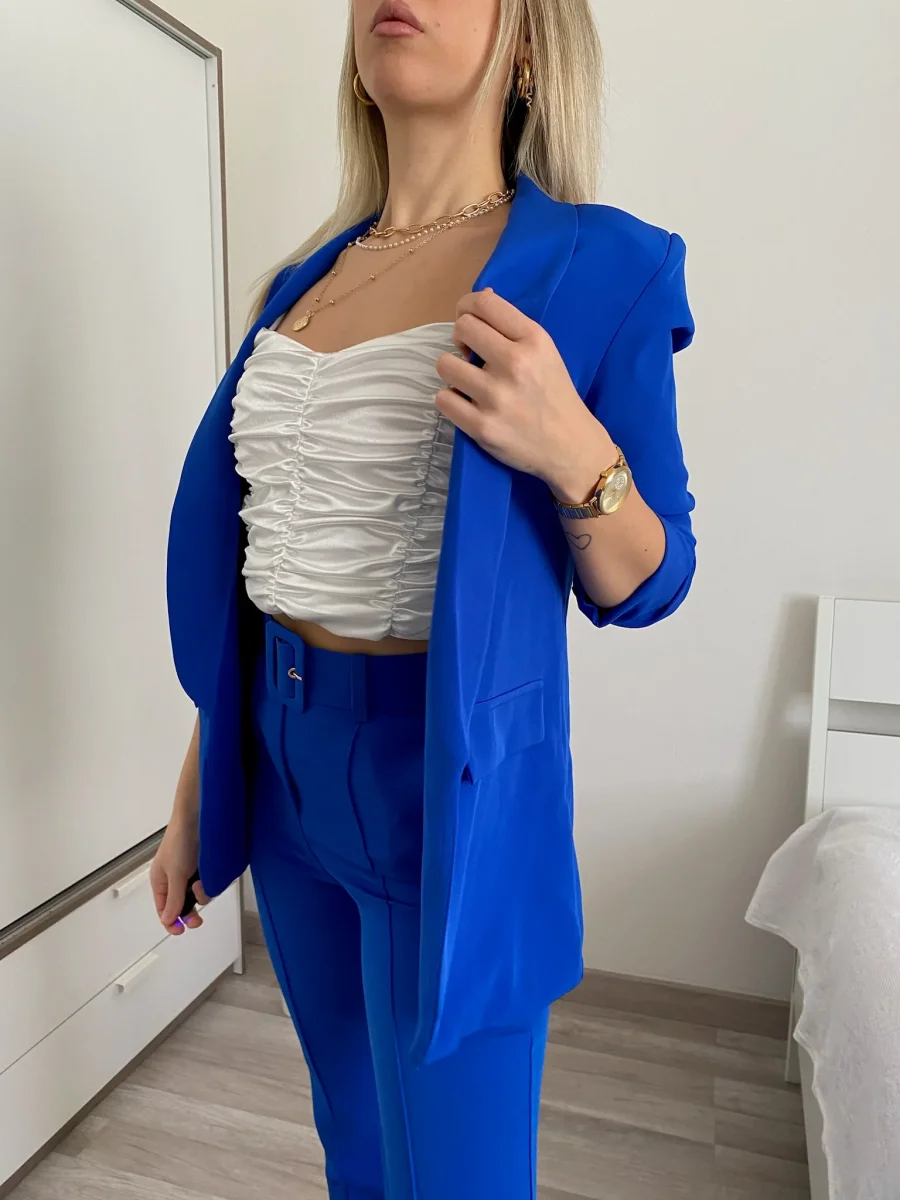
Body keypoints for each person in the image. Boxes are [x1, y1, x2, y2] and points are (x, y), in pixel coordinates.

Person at [152, 0, 696, 1196]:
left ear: (531, 45)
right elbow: (271, 555)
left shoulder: (603, 264)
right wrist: (204, 781)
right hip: (278, 762)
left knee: (457, 1180)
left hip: (440, 786)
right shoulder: (302, 279)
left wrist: (573, 449)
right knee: (354, 1147)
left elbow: (653, 581)